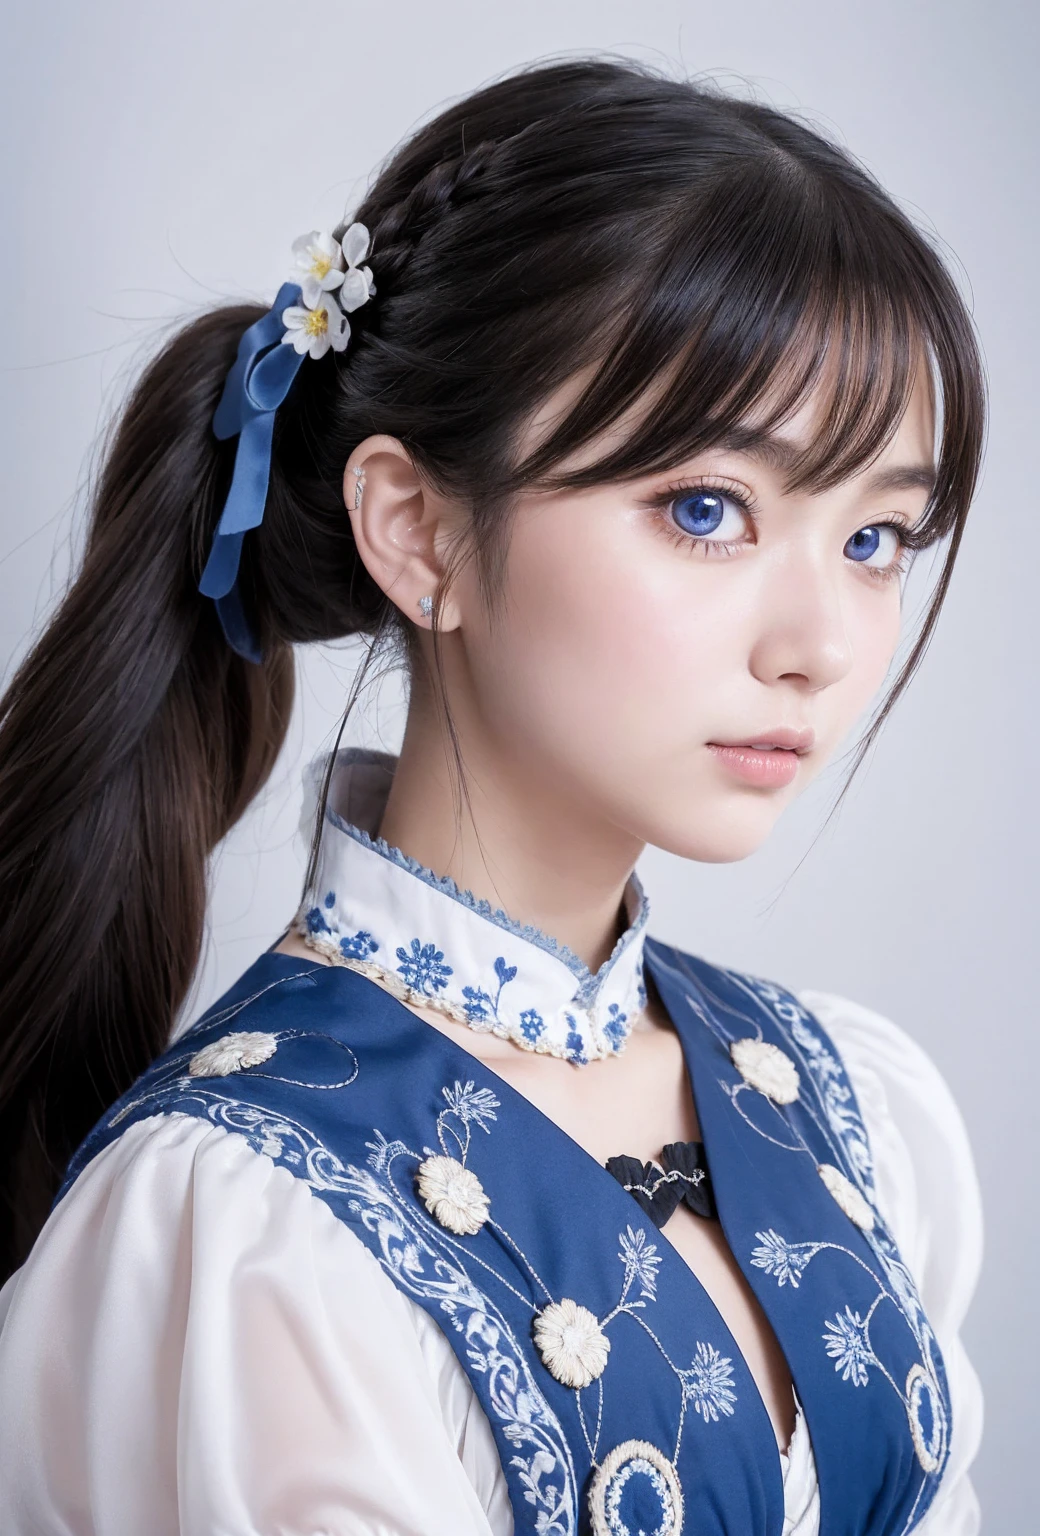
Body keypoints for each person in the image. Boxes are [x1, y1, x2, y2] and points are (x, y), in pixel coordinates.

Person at [0, 57, 985, 1536]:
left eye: (878, 535)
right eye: (706, 510)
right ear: (417, 529)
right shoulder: (240, 1222)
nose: (825, 648)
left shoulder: (849, 1102)